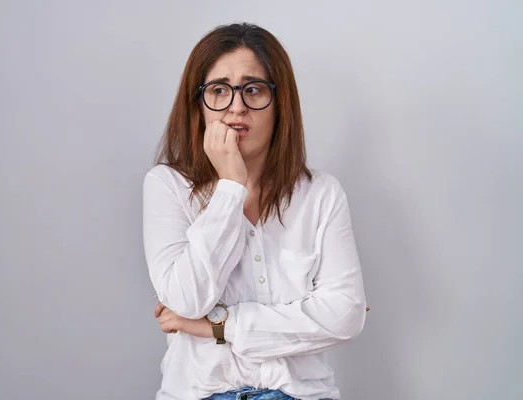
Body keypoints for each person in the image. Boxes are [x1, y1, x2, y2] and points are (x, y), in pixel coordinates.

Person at [142, 22, 367, 400]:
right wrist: (231, 185)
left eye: (253, 89)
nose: (236, 107)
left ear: (280, 104)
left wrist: (218, 325)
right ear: (197, 104)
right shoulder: (167, 185)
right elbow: (185, 301)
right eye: (218, 90)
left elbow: (344, 316)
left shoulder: (321, 194)